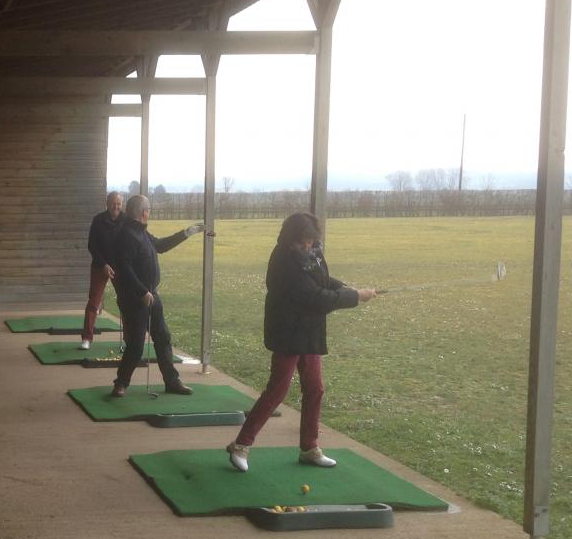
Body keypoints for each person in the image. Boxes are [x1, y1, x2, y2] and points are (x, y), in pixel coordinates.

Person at [226, 211, 376, 472]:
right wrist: (354, 297)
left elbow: (323, 279)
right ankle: (241, 445)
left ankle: (309, 448)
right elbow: (316, 297)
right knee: (277, 390)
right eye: (303, 241)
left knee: (315, 388)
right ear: (291, 238)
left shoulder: (312, 252)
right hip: (288, 332)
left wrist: (348, 288)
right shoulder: (284, 260)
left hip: (308, 332)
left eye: (311, 240)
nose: (308, 245)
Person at [110, 194, 211, 398]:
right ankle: (120, 383)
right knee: (136, 345)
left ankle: (172, 382)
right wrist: (142, 292)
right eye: (148, 211)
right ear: (143, 212)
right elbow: (124, 269)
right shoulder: (126, 235)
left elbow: (161, 246)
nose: (149, 214)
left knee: (163, 338)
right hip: (136, 299)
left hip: (152, 295)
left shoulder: (142, 232)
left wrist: (186, 233)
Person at [81, 191, 124, 349]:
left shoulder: (126, 220)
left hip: (120, 267)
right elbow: (92, 245)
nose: (116, 206)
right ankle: (87, 338)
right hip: (100, 266)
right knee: (94, 301)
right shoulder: (98, 220)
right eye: (113, 203)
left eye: (119, 203)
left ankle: (129, 339)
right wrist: (104, 264)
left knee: (125, 302)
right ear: (107, 203)